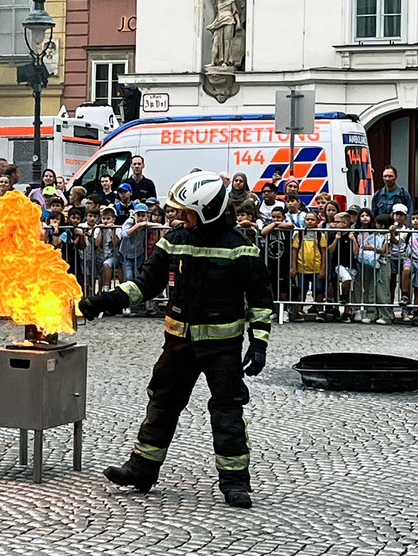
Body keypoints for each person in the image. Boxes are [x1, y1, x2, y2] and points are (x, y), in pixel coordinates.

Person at [79, 170, 273, 509]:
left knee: (227, 412)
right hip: (178, 342)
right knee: (162, 402)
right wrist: (102, 302)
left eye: (186, 212)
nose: (180, 218)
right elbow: (144, 285)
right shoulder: (175, 239)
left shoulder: (242, 248)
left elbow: (260, 301)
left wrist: (259, 345)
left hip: (222, 347)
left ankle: (235, 482)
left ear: (208, 210)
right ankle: (142, 468)